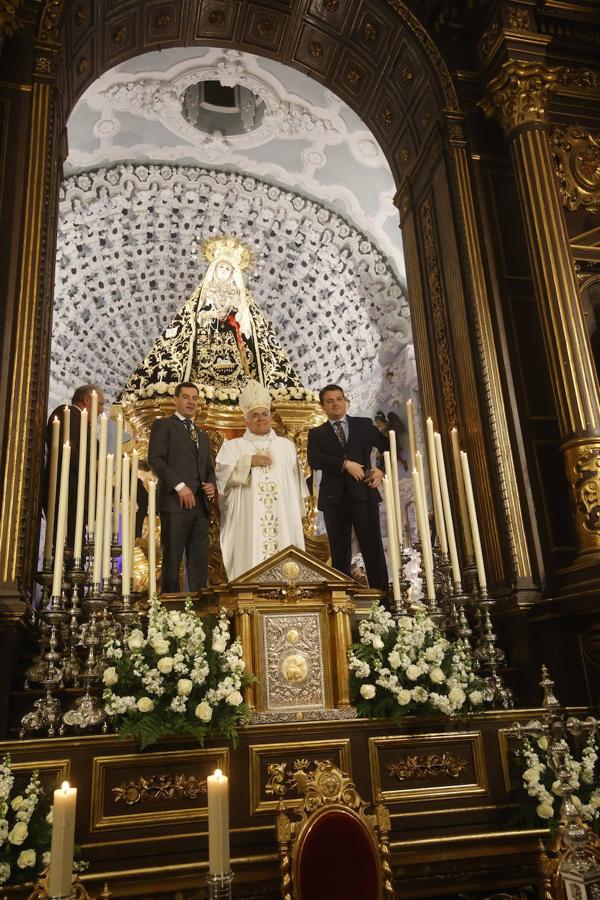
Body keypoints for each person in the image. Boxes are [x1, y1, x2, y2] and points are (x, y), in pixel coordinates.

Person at [120, 236, 304, 403]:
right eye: (220, 267)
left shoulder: (240, 295)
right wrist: (211, 315)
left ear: (233, 273)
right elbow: (194, 319)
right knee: (205, 361)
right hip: (207, 337)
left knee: (235, 363)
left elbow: (250, 329)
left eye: (227, 269)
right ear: (214, 269)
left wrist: (239, 315)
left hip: (232, 339)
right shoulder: (205, 293)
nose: (223, 271)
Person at [215, 379, 309, 581]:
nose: (261, 419)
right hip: (247, 518)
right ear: (246, 420)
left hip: (283, 514)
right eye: (254, 415)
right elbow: (222, 478)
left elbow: (297, 483)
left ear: (271, 417)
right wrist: (248, 462)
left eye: (264, 414)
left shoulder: (286, 446)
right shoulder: (233, 446)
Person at [307, 384, 389, 592]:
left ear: (346, 401)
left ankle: (383, 600)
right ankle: (343, 603)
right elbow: (315, 460)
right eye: (330, 401)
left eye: (339, 399)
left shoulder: (364, 425)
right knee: (340, 553)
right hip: (334, 500)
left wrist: (381, 470)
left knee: (373, 548)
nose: (335, 403)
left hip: (364, 494)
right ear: (323, 406)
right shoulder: (316, 433)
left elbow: (389, 446)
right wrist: (345, 464)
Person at [147, 382, 216, 592]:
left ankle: (198, 613)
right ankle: (170, 612)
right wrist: (179, 486)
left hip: (200, 507)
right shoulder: (164, 425)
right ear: (175, 400)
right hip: (175, 504)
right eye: (186, 397)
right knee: (172, 560)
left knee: (198, 563)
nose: (191, 402)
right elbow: (155, 459)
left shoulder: (201, 435)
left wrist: (212, 485)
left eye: (195, 398)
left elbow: (208, 468)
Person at [43, 383, 105, 554]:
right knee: (67, 548)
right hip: (66, 492)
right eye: (100, 404)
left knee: (76, 548)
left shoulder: (85, 425)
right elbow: (68, 452)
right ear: (87, 399)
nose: (101, 411)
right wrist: (95, 468)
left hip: (78, 496)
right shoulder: (67, 413)